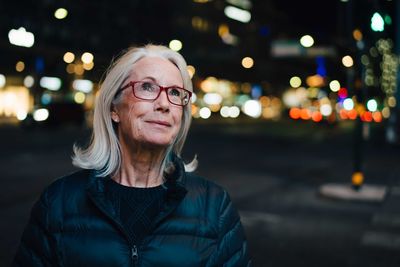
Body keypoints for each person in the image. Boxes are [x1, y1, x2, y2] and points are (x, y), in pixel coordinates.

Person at [12, 44, 251, 266]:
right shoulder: (58, 203)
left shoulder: (215, 206)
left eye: (176, 93)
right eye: (147, 87)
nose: (164, 104)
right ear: (114, 108)